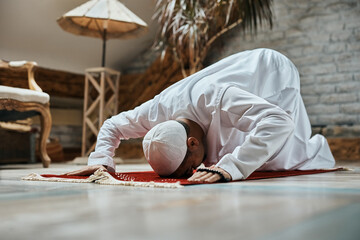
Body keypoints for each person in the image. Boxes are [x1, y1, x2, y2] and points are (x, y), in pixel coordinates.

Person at [67, 48, 335, 183]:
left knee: (277, 155)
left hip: (272, 73)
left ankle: (313, 146)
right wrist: (102, 159)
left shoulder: (215, 98)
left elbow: (279, 121)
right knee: (233, 150)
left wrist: (232, 168)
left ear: (192, 143)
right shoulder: (155, 113)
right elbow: (112, 125)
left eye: (188, 167)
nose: (194, 171)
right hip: (234, 92)